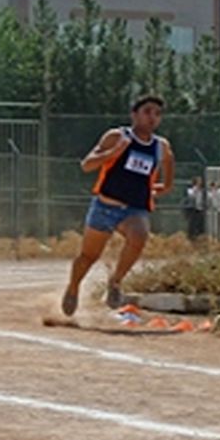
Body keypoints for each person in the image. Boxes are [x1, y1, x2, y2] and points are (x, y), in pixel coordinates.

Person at [60, 94, 174, 316]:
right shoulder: (117, 136)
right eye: (147, 112)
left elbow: (168, 166)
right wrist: (113, 152)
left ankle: (115, 282)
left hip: (134, 210)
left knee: (140, 235)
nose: (153, 118)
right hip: (105, 206)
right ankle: (73, 288)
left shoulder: (161, 146)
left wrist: (164, 186)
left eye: (157, 114)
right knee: (88, 257)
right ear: (134, 114)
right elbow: (87, 165)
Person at [182, 175, 205, 240]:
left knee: (200, 225)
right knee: (192, 225)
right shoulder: (190, 190)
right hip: (193, 209)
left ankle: (200, 237)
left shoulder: (202, 190)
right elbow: (191, 196)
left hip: (200, 209)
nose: (200, 182)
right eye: (199, 181)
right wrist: (196, 189)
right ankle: (191, 238)